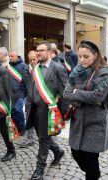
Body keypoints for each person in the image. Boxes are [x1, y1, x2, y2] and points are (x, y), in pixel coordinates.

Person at [63, 40, 108, 180]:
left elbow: (97, 96)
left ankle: (93, 175)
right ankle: (94, 173)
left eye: (86, 57)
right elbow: (66, 94)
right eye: (79, 56)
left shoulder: (105, 72)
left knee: (90, 158)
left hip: (95, 121)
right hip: (78, 120)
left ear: (95, 55)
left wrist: (76, 92)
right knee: (75, 152)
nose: (81, 60)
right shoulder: (77, 70)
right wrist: (79, 95)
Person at [26, 42, 67, 180]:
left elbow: (65, 92)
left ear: (50, 52)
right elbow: (31, 89)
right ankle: (58, 151)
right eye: (37, 50)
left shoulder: (58, 68)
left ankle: (40, 169)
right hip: (35, 110)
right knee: (43, 136)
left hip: (49, 111)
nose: (38, 53)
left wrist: (62, 113)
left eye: (42, 50)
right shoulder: (35, 68)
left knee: (43, 139)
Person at [8, 50, 29, 135]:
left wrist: (24, 92)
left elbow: (27, 81)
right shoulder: (8, 66)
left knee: (17, 110)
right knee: (12, 111)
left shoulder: (24, 66)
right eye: (9, 56)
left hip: (20, 93)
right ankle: (17, 126)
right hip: (10, 93)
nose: (10, 58)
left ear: (17, 56)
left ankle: (22, 127)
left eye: (12, 56)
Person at [20, 50, 37, 148]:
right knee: (29, 118)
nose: (32, 62)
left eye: (34, 59)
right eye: (30, 60)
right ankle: (30, 139)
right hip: (30, 99)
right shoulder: (26, 69)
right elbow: (25, 84)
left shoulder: (42, 68)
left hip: (41, 99)